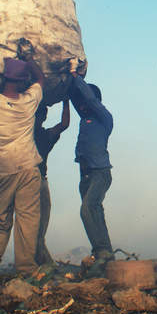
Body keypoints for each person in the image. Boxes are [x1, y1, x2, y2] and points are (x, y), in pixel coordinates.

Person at [0, 55, 46, 284]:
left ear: (4, 78)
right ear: (23, 81)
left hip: (3, 172)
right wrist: (30, 59)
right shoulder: (28, 101)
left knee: (2, 218)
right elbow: (41, 78)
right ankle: (25, 269)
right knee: (28, 219)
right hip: (28, 168)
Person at [68, 61, 115, 273]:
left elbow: (87, 97)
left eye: (87, 102)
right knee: (96, 212)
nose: (83, 106)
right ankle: (105, 254)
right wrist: (68, 82)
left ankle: (103, 252)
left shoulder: (104, 118)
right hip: (85, 175)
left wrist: (76, 76)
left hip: (100, 174)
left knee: (87, 210)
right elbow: (78, 99)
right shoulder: (85, 118)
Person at [34, 96, 71, 267]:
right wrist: (65, 100)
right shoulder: (42, 135)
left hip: (37, 182)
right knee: (38, 226)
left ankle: (39, 260)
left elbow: (63, 125)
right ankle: (40, 261)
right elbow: (64, 124)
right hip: (37, 182)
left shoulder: (33, 134)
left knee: (36, 227)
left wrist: (65, 100)